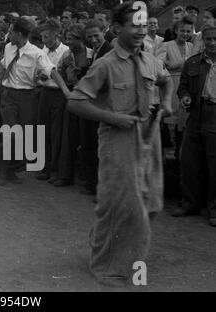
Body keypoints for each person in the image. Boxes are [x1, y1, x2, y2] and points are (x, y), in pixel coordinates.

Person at [67, 2, 173, 287]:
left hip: (149, 137)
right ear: (117, 29)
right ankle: (110, 265)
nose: (140, 31)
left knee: (151, 202)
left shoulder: (150, 59)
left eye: (143, 25)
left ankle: (102, 241)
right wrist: (112, 117)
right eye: (134, 25)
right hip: (117, 140)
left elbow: (165, 81)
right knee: (123, 205)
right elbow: (76, 101)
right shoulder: (106, 65)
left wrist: (166, 102)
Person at [0, 17, 70, 185]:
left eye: (11, 31)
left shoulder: (37, 53)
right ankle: (2, 169)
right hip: (9, 96)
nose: (9, 34)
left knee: (25, 137)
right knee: (13, 133)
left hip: (27, 98)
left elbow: (52, 72)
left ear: (19, 34)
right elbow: (4, 66)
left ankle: (12, 169)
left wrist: (66, 91)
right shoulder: (7, 47)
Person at [175, 26, 216, 227]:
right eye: (208, 39)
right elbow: (182, 86)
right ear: (203, 41)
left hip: (215, 116)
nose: (212, 43)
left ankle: (214, 209)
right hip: (196, 115)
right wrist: (185, 96)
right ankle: (189, 204)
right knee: (189, 160)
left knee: (214, 165)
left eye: (215, 39)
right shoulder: (192, 62)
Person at [52, 24, 93, 187]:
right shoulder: (67, 55)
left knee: (87, 138)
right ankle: (65, 175)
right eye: (66, 38)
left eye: (71, 39)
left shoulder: (91, 54)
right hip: (71, 96)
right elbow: (57, 74)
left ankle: (87, 177)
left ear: (80, 39)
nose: (67, 42)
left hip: (89, 98)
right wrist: (65, 91)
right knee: (68, 136)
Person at [78, 20, 113, 196]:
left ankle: (102, 189)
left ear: (104, 32)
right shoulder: (93, 52)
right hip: (89, 103)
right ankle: (92, 184)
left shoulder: (110, 52)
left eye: (96, 36)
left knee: (100, 147)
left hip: (102, 105)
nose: (93, 40)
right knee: (89, 144)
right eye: (89, 37)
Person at [36, 19, 69, 182]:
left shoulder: (66, 52)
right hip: (45, 92)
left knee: (56, 133)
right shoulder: (43, 50)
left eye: (47, 37)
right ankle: (45, 166)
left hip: (58, 95)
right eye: (42, 37)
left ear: (57, 35)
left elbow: (67, 77)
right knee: (43, 130)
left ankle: (54, 169)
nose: (44, 40)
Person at [156, 16, 194, 160]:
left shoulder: (191, 46)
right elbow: (158, 64)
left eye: (188, 31)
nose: (185, 34)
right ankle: (171, 156)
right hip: (172, 85)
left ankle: (182, 152)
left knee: (184, 121)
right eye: (182, 31)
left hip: (187, 86)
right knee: (172, 120)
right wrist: (172, 66)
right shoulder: (166, 45)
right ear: (176, 31)